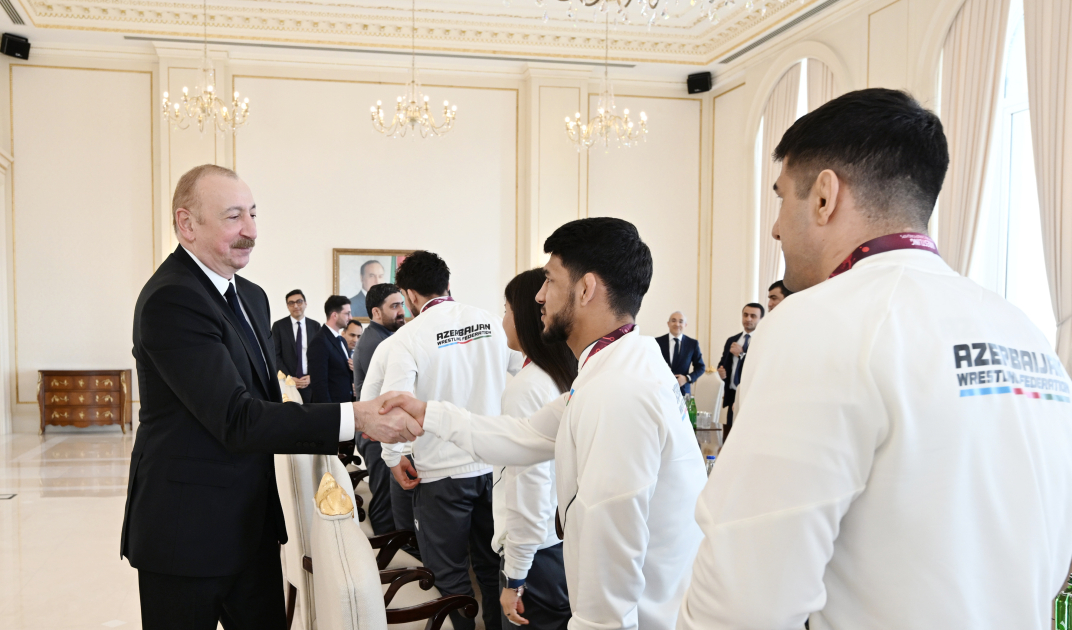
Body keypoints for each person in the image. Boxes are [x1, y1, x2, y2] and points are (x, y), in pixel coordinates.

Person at [677, 89, 1072, 629]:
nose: (774, 229)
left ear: (823, 196)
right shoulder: (1023, 331)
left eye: (781, 199)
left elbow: (745, 599)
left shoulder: (819, 320)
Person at [121, 164, 421, 630]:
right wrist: (355, 418)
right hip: (186, 530)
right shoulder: (172, 299)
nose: (250, 231)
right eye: (233, 217)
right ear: (187, 224)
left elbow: (269, 405)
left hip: (251, 525)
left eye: (253, 215)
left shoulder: (253, 296)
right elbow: (238, 419)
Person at [381, 218, 706, 630]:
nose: (538, 296)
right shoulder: (618, 365)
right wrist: (430, 413)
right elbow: (525, 435)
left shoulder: (619, 390)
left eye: (549, 280)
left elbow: (611, 560)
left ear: (585, 289)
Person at [380, 251, 514, 630]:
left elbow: (393, 405)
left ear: (409, 295)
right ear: (448, 284)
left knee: (450, 574)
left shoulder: (408, 337)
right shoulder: (490, 321)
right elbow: (526, 373)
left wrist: (393, 456)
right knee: (493, 568)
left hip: (441, 473)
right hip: (494, 464)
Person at [495, 268, 576, 630]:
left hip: (535, 555)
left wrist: (514, 576)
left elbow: (529, 487)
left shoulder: (527, 386)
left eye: (507, 310)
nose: (502, 319)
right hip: (556, 544)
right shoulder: (557, 374)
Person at [352, 283, 408, 536]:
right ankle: (384, 557)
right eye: (394, 306)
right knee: (385, 500)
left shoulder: (385, 337)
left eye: (402, 304)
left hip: (377, 431)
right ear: (376, 312)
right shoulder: (378, 342)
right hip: (375, 434)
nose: (401, 311)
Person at [715, 303, 763, 438]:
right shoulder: (732, 340)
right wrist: (721, 372)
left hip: (751, 396)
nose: (748, 319)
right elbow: (723, 363)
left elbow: (758, 366)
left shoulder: (761, 340)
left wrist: (741, 354)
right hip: (732, 395)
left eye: (753, 316)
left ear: (760, 319)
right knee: (730, 434)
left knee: (748, 436)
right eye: (746, 315)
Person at [270, 290, 321, 403]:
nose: (295, 305)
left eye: (299, 301)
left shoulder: (315, 326)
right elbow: (275, 355)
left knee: (311, 416)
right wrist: (289, 378)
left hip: (309, 383)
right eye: (291, 303)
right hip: (288, 384)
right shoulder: (279, 326)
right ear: (287, 306)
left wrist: (312, 376)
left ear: (305, 303)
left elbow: (320, 356)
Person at [307, 295, 354, 403]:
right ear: (334, 315)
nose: (350, 317)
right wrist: (328, 412)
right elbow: (319, 384)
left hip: (344, 405)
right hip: (331, 409)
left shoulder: (341, 340)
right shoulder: (319, 341)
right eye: (347, 313)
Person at [655, 311, 706, 395]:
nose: (677, 324)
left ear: (685, 325)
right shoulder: (657, 342)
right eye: (674, 320)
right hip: (661, 390)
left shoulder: (692, 344)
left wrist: (687, 378)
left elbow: (701, 367)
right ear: (668, 323)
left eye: (681, 321)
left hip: (683, 391)